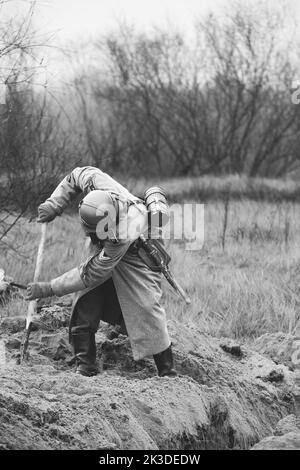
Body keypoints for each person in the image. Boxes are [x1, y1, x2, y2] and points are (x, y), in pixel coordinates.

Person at [26, 166, 177, 378]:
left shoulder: (122, 232)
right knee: (86, 300)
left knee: (147, 308)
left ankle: (167, 370)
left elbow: (91, 273)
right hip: (106, 246)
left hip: (138, 255)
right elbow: (76, 175)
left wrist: (48, 288)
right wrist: (55, 203)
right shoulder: (96, 181)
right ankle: (85, 365)